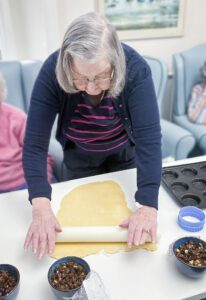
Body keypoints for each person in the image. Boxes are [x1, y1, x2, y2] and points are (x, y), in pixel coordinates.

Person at [23, 12, 162, 259]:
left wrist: (148, 204)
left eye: (100, 77)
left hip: (124, 155)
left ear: (116, 64)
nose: (90, 87)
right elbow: (34, 144)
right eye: (81, 78)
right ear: (67, 66)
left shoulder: (136, 70)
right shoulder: (51, 72)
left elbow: (149, 140)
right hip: (79, 157)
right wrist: (41, 206)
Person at [0, 73, 54, 193]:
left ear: (2, 93)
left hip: (24, 181)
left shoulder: (16, 117)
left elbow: (39, 152)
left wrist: (39, 187)